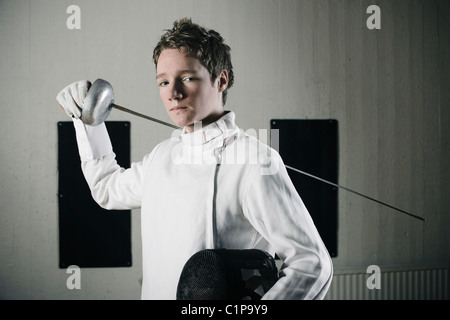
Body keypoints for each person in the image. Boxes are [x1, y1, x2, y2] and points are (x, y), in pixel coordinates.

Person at [56, 18, 333, 300]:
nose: (173, 93)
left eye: (187, 78)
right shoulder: (162, 157)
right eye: (163, 82)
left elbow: (312, 265)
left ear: (221, 80)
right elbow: (106, 188)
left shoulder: (254, 161)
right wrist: (86, 120)